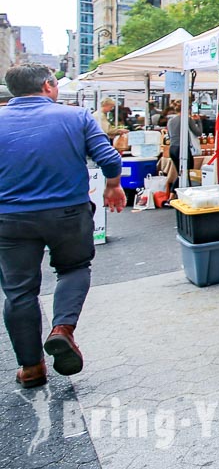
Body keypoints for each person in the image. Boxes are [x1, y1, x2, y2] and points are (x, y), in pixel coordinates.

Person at [0, 64, 125, 388]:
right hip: (67, 212)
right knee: (73, 269)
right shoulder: (76, 117)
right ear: (47, 86)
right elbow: (109, 159)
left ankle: (31, 368)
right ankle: (62, 330)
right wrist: (112, 185)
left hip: (10, 218)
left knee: (18, 292)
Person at [167, 103, 201, 188]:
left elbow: (169, 135)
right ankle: (174, 193)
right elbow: (198, 132)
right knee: (186, 173)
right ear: (188, 110)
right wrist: (198, 121)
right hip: (182, 148)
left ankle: (173, 194)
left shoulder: (170, 120)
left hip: (172, 148)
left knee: (181, 172)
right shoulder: (187, 119)